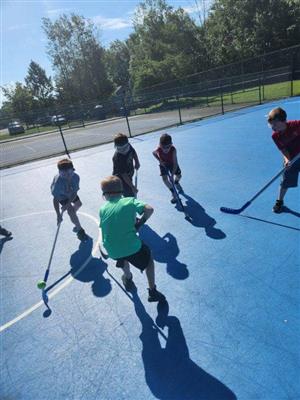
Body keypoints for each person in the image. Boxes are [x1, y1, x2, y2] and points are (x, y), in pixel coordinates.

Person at [99, 175, 165, 302]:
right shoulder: (129, 201)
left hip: (112, 249)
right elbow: (149, 209)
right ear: (121, 190)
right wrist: (139, 224)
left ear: (105, 194)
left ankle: (128, 278)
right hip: (130, 246)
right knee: (149, 259)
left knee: (123, 256)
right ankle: (152, 291)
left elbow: (105, 229)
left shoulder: (102, 209)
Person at [267, 107, 300, 213]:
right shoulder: (275, 136)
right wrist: (287, 160)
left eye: (275, 124)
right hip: (291, 159)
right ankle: (279, 201)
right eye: (271, 124)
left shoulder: (296, 125)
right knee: (285, 181)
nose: (273, 127)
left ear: (284, 121)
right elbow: (283, 149)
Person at [51, 158, 87, 241]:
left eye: (70, 173)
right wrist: (58, 215)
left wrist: (67, 204)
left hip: (70, 194)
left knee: (78, 204)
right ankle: (80, 230)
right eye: (64, 174)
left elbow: (74, 193)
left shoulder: (76, 177)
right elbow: (55, 199)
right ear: (60, 172)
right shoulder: (57, 183)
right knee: (71, 211)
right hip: (61, 196)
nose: (67, 176)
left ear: (73, 170)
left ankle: (72, 215)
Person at [152, 133, 183, 203]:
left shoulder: (173, 150)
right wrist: (160, 160)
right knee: (165, 179)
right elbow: (153, 153)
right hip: (163, 164)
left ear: (171, 144)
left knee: (179, 176)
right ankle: (173, 191)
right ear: (160, 145)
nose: (166, 149)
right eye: (163, 147)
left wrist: (172, 175)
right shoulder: (159, 149)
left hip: (172, 164)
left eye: (168, 147)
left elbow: (175, 163)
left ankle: (176, 182)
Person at [112, 133, 140, 197]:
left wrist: (137, 161)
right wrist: (132, 187)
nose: (123, 150)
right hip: (121, 180)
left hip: (129, 174)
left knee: (131, 192)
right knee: (130, 195)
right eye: (120, 148)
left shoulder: (128, 146)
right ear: (116, 146)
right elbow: (124, 175)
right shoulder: (117, 158)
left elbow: (133, 151)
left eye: (125, 147)